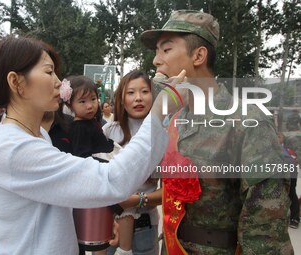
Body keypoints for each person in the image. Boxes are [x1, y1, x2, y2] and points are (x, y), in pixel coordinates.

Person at [0, 36, 170, 255]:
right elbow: (111, 179)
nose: (58, 82)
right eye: (48, 72)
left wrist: (98, 219)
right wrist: (160, 112)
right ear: (16, 82)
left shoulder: (38, 136)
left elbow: (55, 201)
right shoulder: (11, 148)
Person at [141, 10, 293, 254]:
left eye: (166, 50)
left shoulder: (247, 122)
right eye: (156, 52)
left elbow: (266, 227)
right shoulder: (176, 120)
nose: (156, 61)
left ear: (198, 55)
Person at [103, 70, 162, 255]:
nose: (138, 98)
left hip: (145, 228)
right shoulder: (108, 132)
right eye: (131, 93)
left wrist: (137, 200)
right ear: (121, 98)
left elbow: (172, 192)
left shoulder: (164, 133)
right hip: (109, 227)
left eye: (144, 91)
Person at [280, 132, 301, 229]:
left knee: (291, 191)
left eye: (279, 137)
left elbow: (298, 156)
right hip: (280, 168)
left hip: (290, 167)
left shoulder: (291, 142)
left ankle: (295, 218)